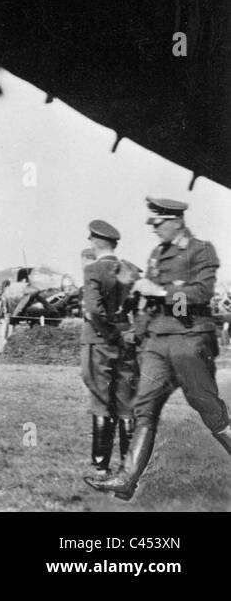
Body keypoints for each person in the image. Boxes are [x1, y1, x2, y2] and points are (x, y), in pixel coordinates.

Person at [88, 197, 231, 500]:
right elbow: (150, 304)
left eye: (158, 223)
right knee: (144, 409)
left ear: (175, 221)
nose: (154, 229)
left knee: (210, 412)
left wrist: (164, 292)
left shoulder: (201, 250)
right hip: (158, 345)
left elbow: (200, 293)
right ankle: (127, 480)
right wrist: (133, 332)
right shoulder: (156, 254)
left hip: (190, 342)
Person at [77, 220, 137, 475]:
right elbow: (139, 305)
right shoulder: (130, 270)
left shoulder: (93, 270)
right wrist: (126, 331)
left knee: (101, 402)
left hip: (100, 342)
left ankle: (101, 466)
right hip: (126, 342)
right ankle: (129, 464)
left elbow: (93, 310)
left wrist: (110, 333)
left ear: (95, 241)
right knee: (126, 404)